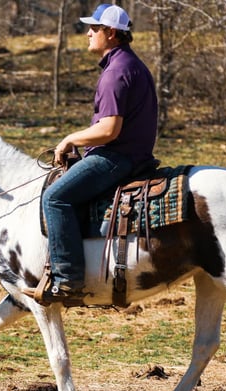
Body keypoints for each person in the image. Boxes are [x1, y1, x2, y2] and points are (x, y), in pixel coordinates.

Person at [35, 4, 158, 302]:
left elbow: (109, 130)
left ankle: (67, 279)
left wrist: (69, 140)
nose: (88, 33)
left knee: (55, 198)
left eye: (94, 28)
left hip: (115, 157)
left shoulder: (116, 72)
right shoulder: (131, 64)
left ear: (111, 33)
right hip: (131, 155)